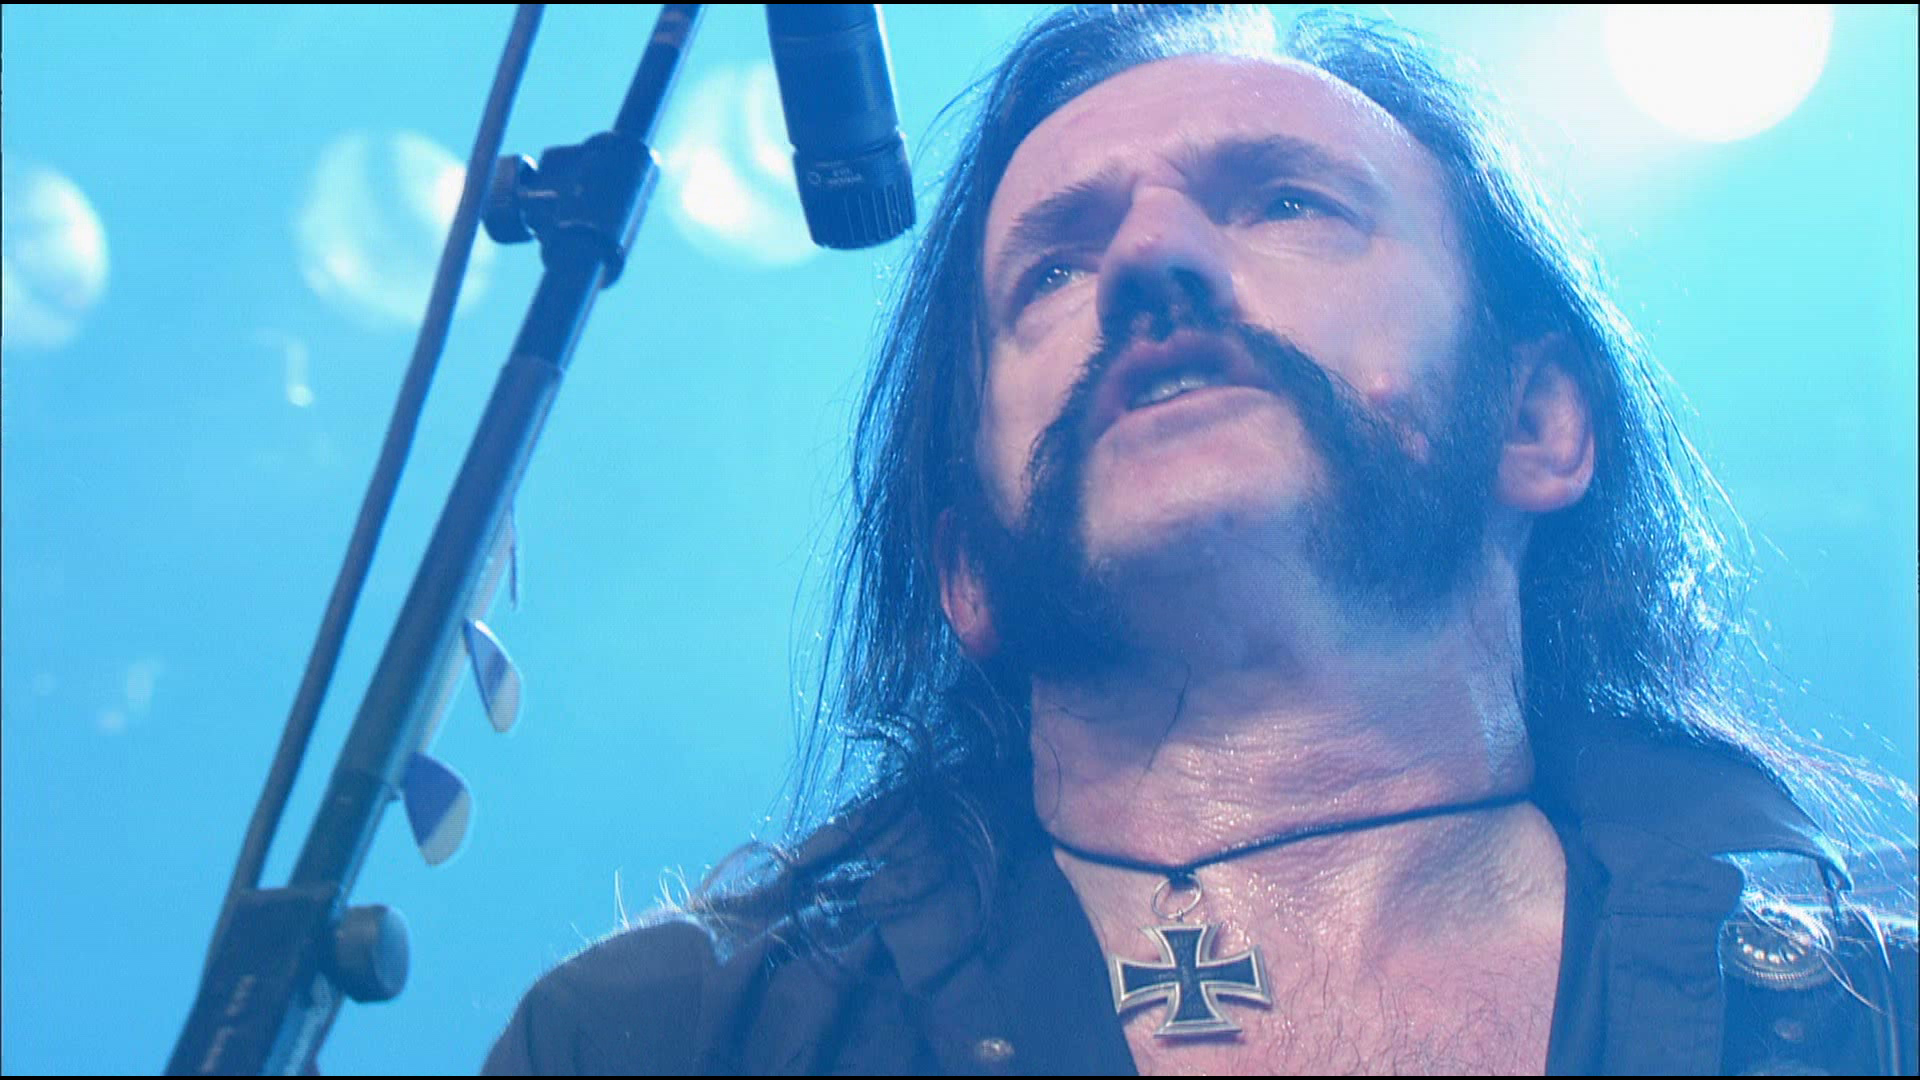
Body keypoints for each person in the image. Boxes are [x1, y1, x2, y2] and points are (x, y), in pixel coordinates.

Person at [484, 6, 1917, 1075]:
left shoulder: (1871, 1016)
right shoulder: (666, 1043)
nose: (1150, 260)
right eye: (1053, 267)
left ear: (1536, 421)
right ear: (964, 571)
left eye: (1287, 202)